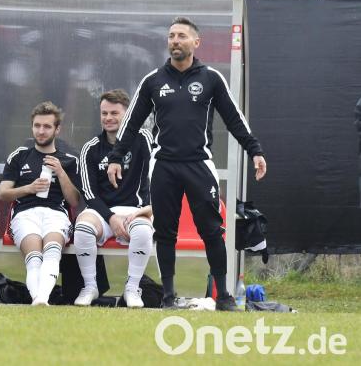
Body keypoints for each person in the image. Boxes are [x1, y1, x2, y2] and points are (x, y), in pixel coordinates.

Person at [107, 17, 267, 311]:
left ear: (196, 42)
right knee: (165, 232)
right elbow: (131, 123)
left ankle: (224, 296)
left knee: (211, 230)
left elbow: (234, 118)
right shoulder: (153, 80)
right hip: (164, 165)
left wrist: (254, 150)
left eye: (181, 36)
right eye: (171, 36)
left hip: (198, 165)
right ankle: (168, 295)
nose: (175, 40)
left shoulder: (211, 78)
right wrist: (117, 157)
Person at [0, 102, 81, 306]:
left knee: (52, 251)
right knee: (34, 256)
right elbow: (3, 194)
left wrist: (60, 172)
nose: (41, 131)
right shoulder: (19, 155)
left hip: (56, 213)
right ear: (32, 126)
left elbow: (74, 201)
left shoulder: (68, 159)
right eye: (37, 126)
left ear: (57, 129)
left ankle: (41, 299)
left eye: (47, 126)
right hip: (25, 213)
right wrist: (29, 188)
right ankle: (40, 298)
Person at [76, 89, 154, 307]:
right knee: (82, 228)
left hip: (135, 210)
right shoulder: (90, 148)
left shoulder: (144, 139)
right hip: (102, 212)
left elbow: (158, 174)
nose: (108, 118)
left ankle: (132, 288)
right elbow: (89, 194)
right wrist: (110, 217)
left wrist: (148, 208)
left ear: (127, 114)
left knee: (143, 230)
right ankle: (90, 287)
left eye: (114, 113)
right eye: (104, 113)